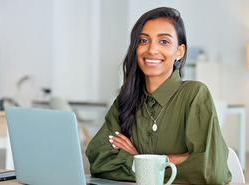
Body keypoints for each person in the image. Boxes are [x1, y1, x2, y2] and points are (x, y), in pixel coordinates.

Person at [85, 7, 232, 184]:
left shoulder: (194, 94)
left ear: (180, 51)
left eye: (164, 41)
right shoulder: (126, 99)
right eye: (143, 40)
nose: (152, 50)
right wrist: (173, 161)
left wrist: (139, 161)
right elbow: (99, 162)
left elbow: (211, 171)